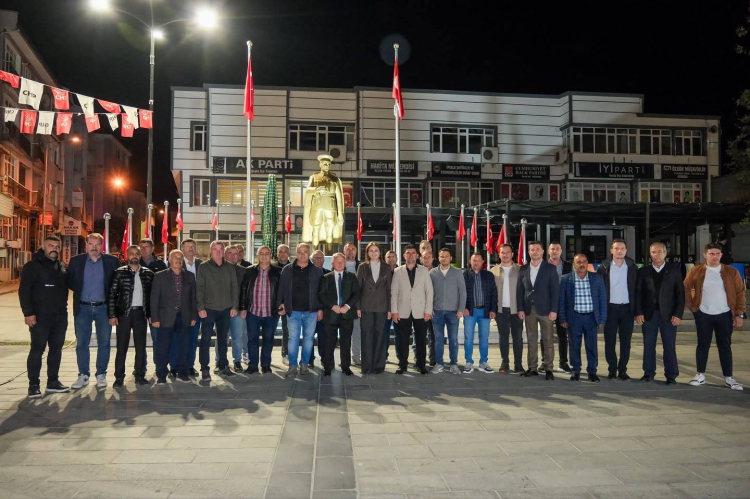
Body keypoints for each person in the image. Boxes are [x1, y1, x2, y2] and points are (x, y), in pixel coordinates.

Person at [684, 243, 745, 390]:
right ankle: (700, 375)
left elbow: (740, 293)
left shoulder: (731, 272)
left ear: (721, 255)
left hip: (725, 314)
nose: (715, 257)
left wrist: (739, 314)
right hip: (703, 314)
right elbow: (685, 289)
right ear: (705, 255)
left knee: (725, 346)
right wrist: (694, 308)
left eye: (717, 254)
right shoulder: (695, 271)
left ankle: (729, 378)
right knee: (702, 345)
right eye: (711, 254)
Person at [19, 236, 69, 398]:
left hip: (59, 316)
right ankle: (33, 385)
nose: (54, 248)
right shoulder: (32, 266)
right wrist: (28, 313)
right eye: (50, 245)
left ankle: (53, 382)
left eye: (57, 246)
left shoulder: (61, 266)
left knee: (56, 349)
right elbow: (24, 291)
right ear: (43, 246)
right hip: (40, 317)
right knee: (37, 350)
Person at [67, 233, 119, 389]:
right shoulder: (76, 261)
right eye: (91, 244)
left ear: (102, 245)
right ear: (86, 245)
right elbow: (70, 282)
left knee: (104, 343)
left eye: (97, 244)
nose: (94, 247)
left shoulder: (112, 261)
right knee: (82, 343)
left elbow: (116, 284)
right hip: (83, 308)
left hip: (104, 308)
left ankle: (101, 374)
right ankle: (83, 375)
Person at [635, 243, 685, 384]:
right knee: (648, 345)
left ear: (665, 253)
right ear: (650, 254)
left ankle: (671, 375)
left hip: (669, 315)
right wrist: (638, 312)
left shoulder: (674, 271)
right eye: (653, 252)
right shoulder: (643, 271)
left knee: (669, 346)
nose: (656, 255)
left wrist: (678, 314)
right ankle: (648, 373)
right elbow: (638, 293)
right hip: (648, 315)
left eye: (659, 251)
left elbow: (680, 295)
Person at [108, 245, 154, 387]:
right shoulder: (119, 273)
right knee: (122, 347)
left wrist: (150, 314)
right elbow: (112, 294)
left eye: (137, 254)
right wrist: (112, 315)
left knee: (141, 347)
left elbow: (151, 297)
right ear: (127, 256)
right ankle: (119, 377)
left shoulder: (148, 274)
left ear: (140, 256)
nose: (134, 256)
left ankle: (139, 375)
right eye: (132, 253)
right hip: (124, 315)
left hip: (141, 314)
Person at [558, 254, 607, 382]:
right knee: (574, 345)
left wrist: (602, 319)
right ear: (574, 264)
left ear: (587, 263)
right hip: (574, 317)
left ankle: (592, 371)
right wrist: (563, 318)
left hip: (591, 317)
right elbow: (561, 301)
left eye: (584, 261)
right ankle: (576, 371)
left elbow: (602, 299)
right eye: (578, 262)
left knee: (592, 346)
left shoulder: (597, 278)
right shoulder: (566, 279)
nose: (582, 264)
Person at [151, 250, 197, 383]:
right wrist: (155, 318)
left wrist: (194, 316)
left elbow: (193, 298)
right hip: (165, 317)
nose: (178, 260)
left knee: (184, 346)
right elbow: (154, 299)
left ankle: (183, 372)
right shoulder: (160, 276)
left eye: (180, 257)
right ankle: (161, 375)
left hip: (184, 316)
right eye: (175, 257)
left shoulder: (190, 276)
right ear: (169, 260)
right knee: (163, 347)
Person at [278, 243, 324, 377]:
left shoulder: (317, 271)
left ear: (309, 254)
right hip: (293, 311)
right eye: (300, 252)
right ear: (296, 253)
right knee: (293, 338)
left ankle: (304, 364)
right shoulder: (287, 270)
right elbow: (281, 289)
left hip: (311, 311)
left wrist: (320, 309)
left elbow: (321, 292)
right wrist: (281, 304)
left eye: (305, 252)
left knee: (309, 339)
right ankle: (292, 366)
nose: (302, 255)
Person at [196, 241, 239, 381]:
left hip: (225, 309)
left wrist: (235, 306)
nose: (218, 252)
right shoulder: (204, 267)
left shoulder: (230, 267)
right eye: (215, 249)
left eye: (221, 249)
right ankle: (204, 368)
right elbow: (199, 288)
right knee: (205, 339)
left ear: (223, 251)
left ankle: (222, 366)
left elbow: (234, 288)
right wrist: (200, 307)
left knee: (223, 339)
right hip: (208, 309)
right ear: (211, 251)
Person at [517, 241, 559, 380]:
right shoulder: (523, 269)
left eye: (537, 249)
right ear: (529, 252)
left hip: (546, 310)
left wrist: (554, 310)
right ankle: (532, 367)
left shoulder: (550, 268)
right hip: (529, 310)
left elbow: (555, 291)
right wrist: (520, 309)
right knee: (531, 339)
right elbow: (520, 291)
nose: (535, 252)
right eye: (532, 250)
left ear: (542, 252)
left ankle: (548, 368)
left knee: (548, 340)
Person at [596, 239, 637, 380]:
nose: (619, 251)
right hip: (610, 309)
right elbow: (599, 290)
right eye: (616, 248)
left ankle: (623, 370)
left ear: (626, 250)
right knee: (610, 341)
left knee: (626, 342)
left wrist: (637, 311)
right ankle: (612, 370)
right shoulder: (604, 267)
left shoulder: (632, 267)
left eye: (622, 248)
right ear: (611, 250)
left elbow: (637, 290)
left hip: (627, 309)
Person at [391, 244, 434, 375]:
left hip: (420, 311)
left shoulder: (424, 271)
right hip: (402, 311)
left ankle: (421, 365)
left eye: (413, 253)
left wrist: (428, 310)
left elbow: (429, 292)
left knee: (421, 340)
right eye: (408, 253)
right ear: (404, 256)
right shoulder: (397, 271)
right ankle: (402, 365)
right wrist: (394, 311)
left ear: (417, 255)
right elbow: (394, 292)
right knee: (402, 340)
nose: (410, 255)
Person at [239, 246, 281, 375]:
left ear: (271, 256)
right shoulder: (249, 271)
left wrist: (281, 306)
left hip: (270, 313)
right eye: (261, 253)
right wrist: (243, 308)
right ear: (258, 256)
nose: (264, 256)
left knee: (268, 340)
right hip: (253, 313)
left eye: (267, 253)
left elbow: (282, 291)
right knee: (252, 340)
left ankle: (266, 365)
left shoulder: (278, 272)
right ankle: (252, 365)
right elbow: (244, 290)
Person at [319, 253, 360, 376]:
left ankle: (346, 367)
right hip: (331, 314)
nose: (340, 263)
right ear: (332, 263)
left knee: (346, 342)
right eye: (337, 261)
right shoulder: (326, 277)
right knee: (329, 342)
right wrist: (332, 306)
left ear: (345, 263)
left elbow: (357, 293)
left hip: (347, 314)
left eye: (342, 261)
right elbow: (321, 295)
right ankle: (328, 366)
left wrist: (347, 306)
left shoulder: (351, 277)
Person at [356, 242, 392, 375]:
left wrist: (390, 309)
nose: (374, 253)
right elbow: (358, 288)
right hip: (366, 307)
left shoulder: (386, 267)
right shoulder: (362, 267)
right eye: (371, 250)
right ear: (367, 253)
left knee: (380, 336)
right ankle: (367, 366)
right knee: (366, 336)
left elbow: (389, 289)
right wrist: (358, 307)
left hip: (382, 307)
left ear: (380, 252)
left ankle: (378, 366)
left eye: (376, 250)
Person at [430, 248, 466, 375]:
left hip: (453, 312)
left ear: (451, 258)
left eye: (446, 256)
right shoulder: (432, 273)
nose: (444, 258)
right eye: (441, 256)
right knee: (438, 339)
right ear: (438, 258)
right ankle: (439, 364)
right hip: (437, 312)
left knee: (453, 339)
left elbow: (463, 292)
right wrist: (429, 308)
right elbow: (428, 292)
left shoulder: (458, 273)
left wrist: (461, 309)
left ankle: (453, 364)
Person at [491, 243, 524, 374]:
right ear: (499, 254)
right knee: (503, 337)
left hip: (517, 310)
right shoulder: (493, 271)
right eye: (502, 252)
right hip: (501, 310)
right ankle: (505, 363)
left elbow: (524, 291)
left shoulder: (520, 270)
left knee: (518, 338)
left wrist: (522, 308)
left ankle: (518, 365)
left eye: (507, 252)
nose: (505, 255)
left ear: (512, 254)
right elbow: (491, 292)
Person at [463, 252, 498, 374]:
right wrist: (463, 307)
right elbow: (460, 293)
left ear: (483, 262)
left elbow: (494, 293)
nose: (476, 262)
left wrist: (493, 309)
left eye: (478, 260)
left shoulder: (489, 275)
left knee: (484, 338)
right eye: (474, 260)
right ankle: (469, 362)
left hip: (485, 311)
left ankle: (483, 362)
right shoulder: (464, 275)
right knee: (468, 338)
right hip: (470, 312)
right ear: (470, 261)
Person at [138, 238, 166, 374]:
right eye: (141, 247)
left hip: (156, 308)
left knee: (157, 339)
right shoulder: (135, 263)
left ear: (152, 248)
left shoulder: (160, 265)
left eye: (147, 247)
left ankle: (159, 365)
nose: (144, 250)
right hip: (139, 307)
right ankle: (141, 366)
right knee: (140, 340)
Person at [175, 238, 201, 377]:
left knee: (193, 339)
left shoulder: (201, 264)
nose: (190, 248)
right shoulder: (177, 263)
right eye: (187, 246)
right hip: (179, 309)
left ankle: (190, 365)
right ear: (182, 249)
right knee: (177, 339)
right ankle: (175, 366)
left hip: (196, 308)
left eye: (192, 246)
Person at [548, 242, 573, 373]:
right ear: (548, 251)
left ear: (561, 251)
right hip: (547, 305)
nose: (555, 251)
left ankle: (563, 362)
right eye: (552, 249)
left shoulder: (569, 266)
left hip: (564, 305)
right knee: (546, 336)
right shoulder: (543, 265)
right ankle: (545, 362)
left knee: (563, 335)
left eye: (557, 249)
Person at [224, 245, 248, 372]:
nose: (233, 256)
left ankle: (237, 361)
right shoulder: (219, 269)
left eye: (236, 253)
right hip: (221, 310)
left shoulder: (243, 271)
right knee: (222, 338)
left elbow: (246, 292)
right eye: (230, 253)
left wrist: (244, 308)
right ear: (225, 254)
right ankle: (220, 361)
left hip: (238, 310)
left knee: (237, 337)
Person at [416, 246, 436, 366]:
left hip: (434, 310)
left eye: (429, 257)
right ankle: (418, 359)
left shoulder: (437, 272)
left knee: (433, 335)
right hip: (419, 310)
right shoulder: (416, 272)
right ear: (421, 259)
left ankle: (433, 358)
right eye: (424, 257)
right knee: (418, 336)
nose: (427, 259)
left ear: (433, 259)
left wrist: (431, 307)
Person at [343, 242, 362, 367]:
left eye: (352, 249)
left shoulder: (362, 266)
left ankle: (356, 357)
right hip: (342, 306)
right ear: (344, 251)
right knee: (345, 333)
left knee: (357, 331)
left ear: (356, 251)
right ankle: (344, 359)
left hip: (357, 305)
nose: (350, 251)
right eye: (348, 249)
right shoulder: (339, 264)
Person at [273, 243, 292, 366]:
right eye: (280, 251)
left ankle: (285, 354)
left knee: (287, 331)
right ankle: (266, 356)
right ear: (277, 254)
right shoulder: (271, 267)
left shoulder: (293, 268)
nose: (283, 254)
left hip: (288, 304)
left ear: (289, 254)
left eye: (285, 251)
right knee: (270, 330)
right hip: (273, 304)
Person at [311, 249, 329, 368]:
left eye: (321, 258)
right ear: (312, 260)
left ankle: (324, 358)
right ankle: (309, 359)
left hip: (325, 311)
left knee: (323, 337)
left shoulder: (328, 274)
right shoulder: (307, 273)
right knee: (309, 337)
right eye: (316, 258)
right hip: (310, 311)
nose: (319, 260)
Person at [384, 249, 399, 361]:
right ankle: (384, 355)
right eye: (388, 257)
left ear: (396, 258)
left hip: (399, 307)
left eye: (393, 256)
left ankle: (400, 357)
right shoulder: (382, 271)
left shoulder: (402, 271)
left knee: (399, 334)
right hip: (385, 307)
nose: (391, 259)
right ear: (385, 259)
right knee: (385, 333)